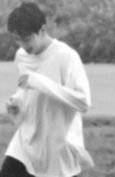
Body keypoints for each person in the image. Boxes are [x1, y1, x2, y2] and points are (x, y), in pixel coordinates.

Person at [0, 2, 94, 177]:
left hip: (55, 145)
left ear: (42, 29)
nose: (22, 45)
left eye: (26, 38)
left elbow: (83, 102)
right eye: (17, 39)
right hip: (26, 139)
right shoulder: (21, 56)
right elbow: (25, 90)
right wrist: (16, 102)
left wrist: (39, 82)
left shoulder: (66, 57)